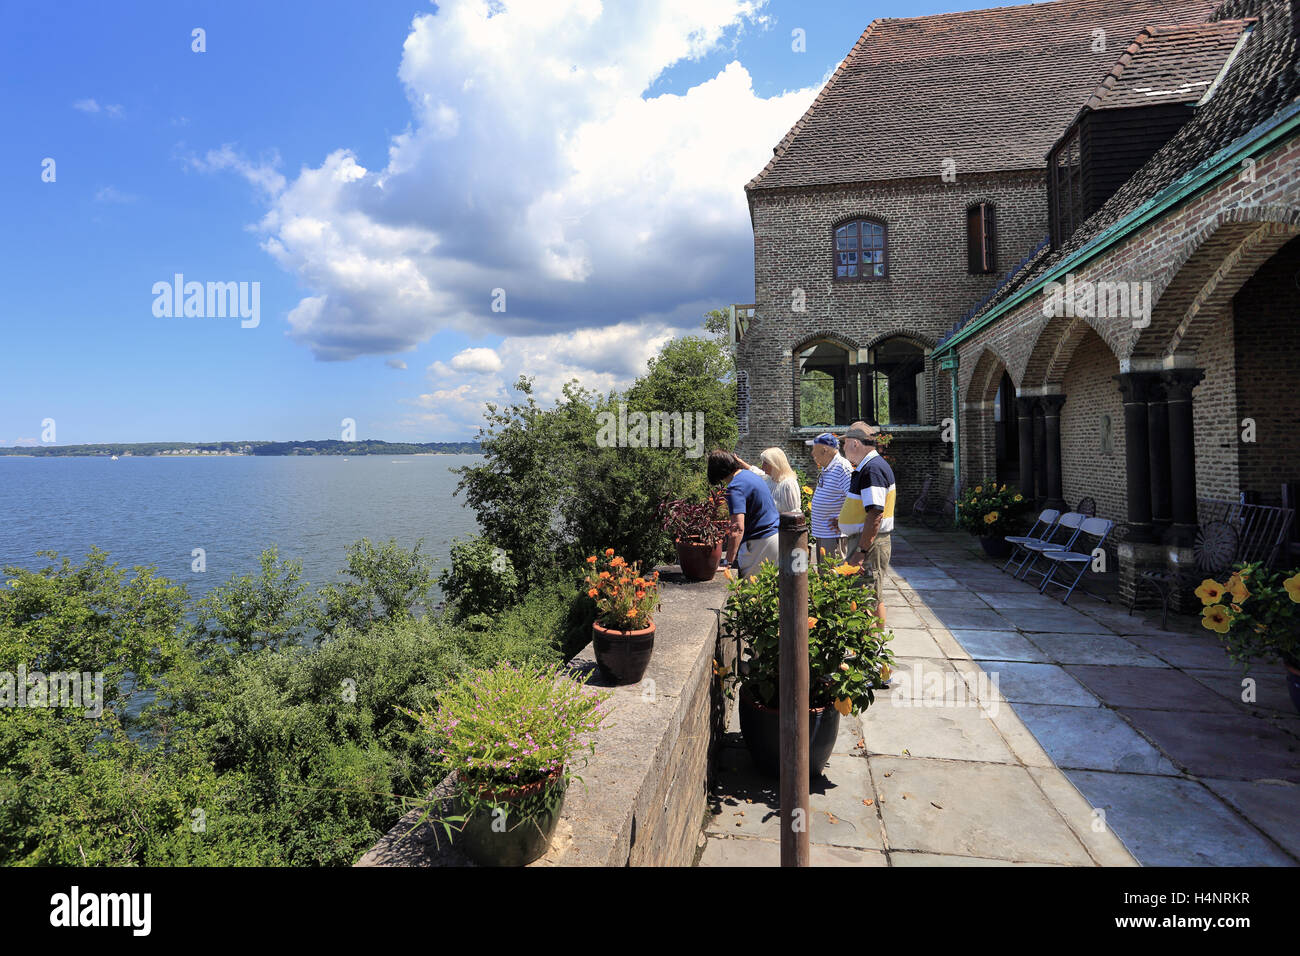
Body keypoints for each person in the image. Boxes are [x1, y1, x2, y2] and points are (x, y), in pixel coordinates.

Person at [838, 423, 897, 625]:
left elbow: (875, 513)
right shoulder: (869, 466)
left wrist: (861, 551)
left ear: (855, 443)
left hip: (869, 545)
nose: (842, 448)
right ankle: (875, 647)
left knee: (866, 598)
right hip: (869, 542)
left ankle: (869, 648)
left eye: (844, 444)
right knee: (872, 596)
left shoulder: (872, 469)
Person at [708, 449, 780, 579]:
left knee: (751, 593)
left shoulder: (735, 487)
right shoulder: (748, 475)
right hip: (775, 537)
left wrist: (727, 562)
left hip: (759, 543)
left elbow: (737, 528)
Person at [805, 432, 853, 562]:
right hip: (824, 533)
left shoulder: (842, 467)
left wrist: (843, 520)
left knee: (832, 574)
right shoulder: (828, 467)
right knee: (824, 575)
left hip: (834, 536)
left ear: (824, 450)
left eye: (814, 449)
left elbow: (855, 499)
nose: (812, 454)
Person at [734, 447, 801, 513]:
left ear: (775, 464)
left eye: (766, 463)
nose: (762, 467)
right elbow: (757, 472)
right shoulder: (769, 479)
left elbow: (794, 514)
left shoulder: (789, 484)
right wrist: (741, 463)